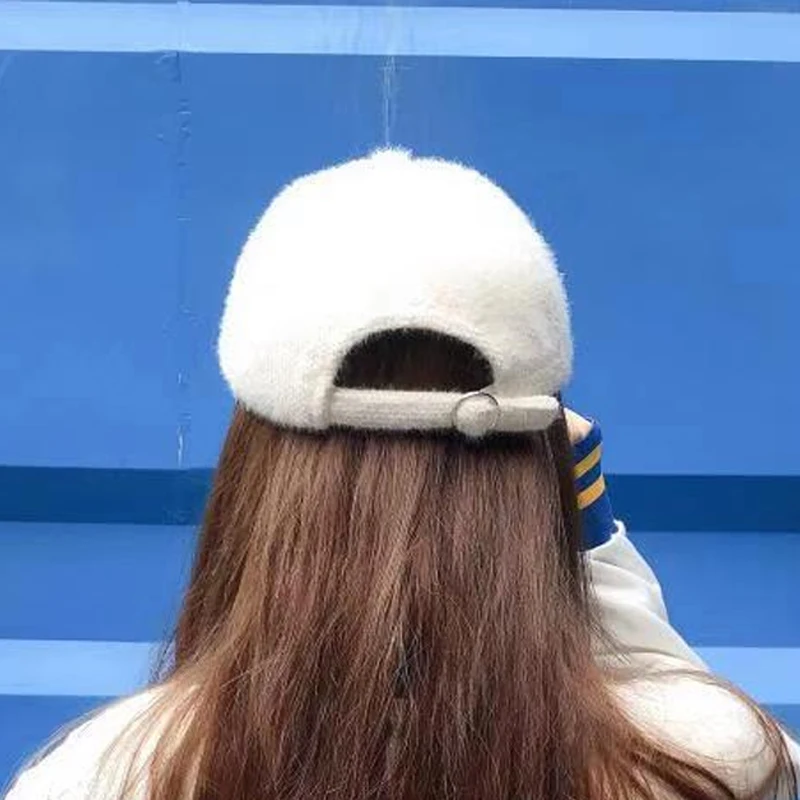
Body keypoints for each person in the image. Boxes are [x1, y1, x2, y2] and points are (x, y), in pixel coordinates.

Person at [5, 150, 798, 800]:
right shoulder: (710, 766)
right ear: (546, 462)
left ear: (255, 477)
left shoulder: (104, 775)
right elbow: (687, 714)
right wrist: (591, 537)